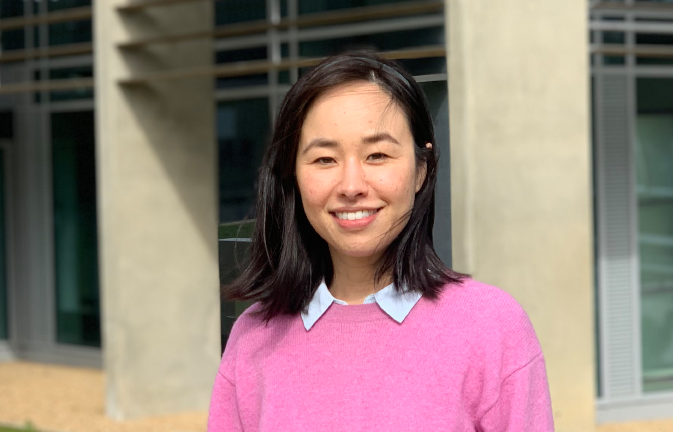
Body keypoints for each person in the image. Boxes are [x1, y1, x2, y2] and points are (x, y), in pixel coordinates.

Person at [208, 51, 553, 431]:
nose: (352, 186)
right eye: (325, 159)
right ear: (293, 175)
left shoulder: (492, 328)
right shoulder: (253, 338)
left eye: (377, 155)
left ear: (421, 169)